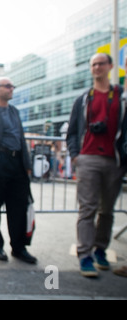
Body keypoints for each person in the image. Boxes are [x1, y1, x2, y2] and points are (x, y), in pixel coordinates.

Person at [67, 53, 127, 278]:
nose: (97, 67)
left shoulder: (121, 97)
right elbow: (72, 131)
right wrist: (76, 156)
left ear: (111, 66)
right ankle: (85, 255)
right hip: (88, 158)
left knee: (107, 210)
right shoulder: (83, 98)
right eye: (93, 64)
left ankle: (100, 250)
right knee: (87, 208)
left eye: (101, 63)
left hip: (114, 160)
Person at [0, 77, 37, 264]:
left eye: (12, 86)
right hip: (0, 162)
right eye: (8, 86)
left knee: (18, 208)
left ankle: (19, 248)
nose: (12, 89)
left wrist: (27, 166)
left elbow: (21, 140)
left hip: (18, 164)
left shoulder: (15, 111)